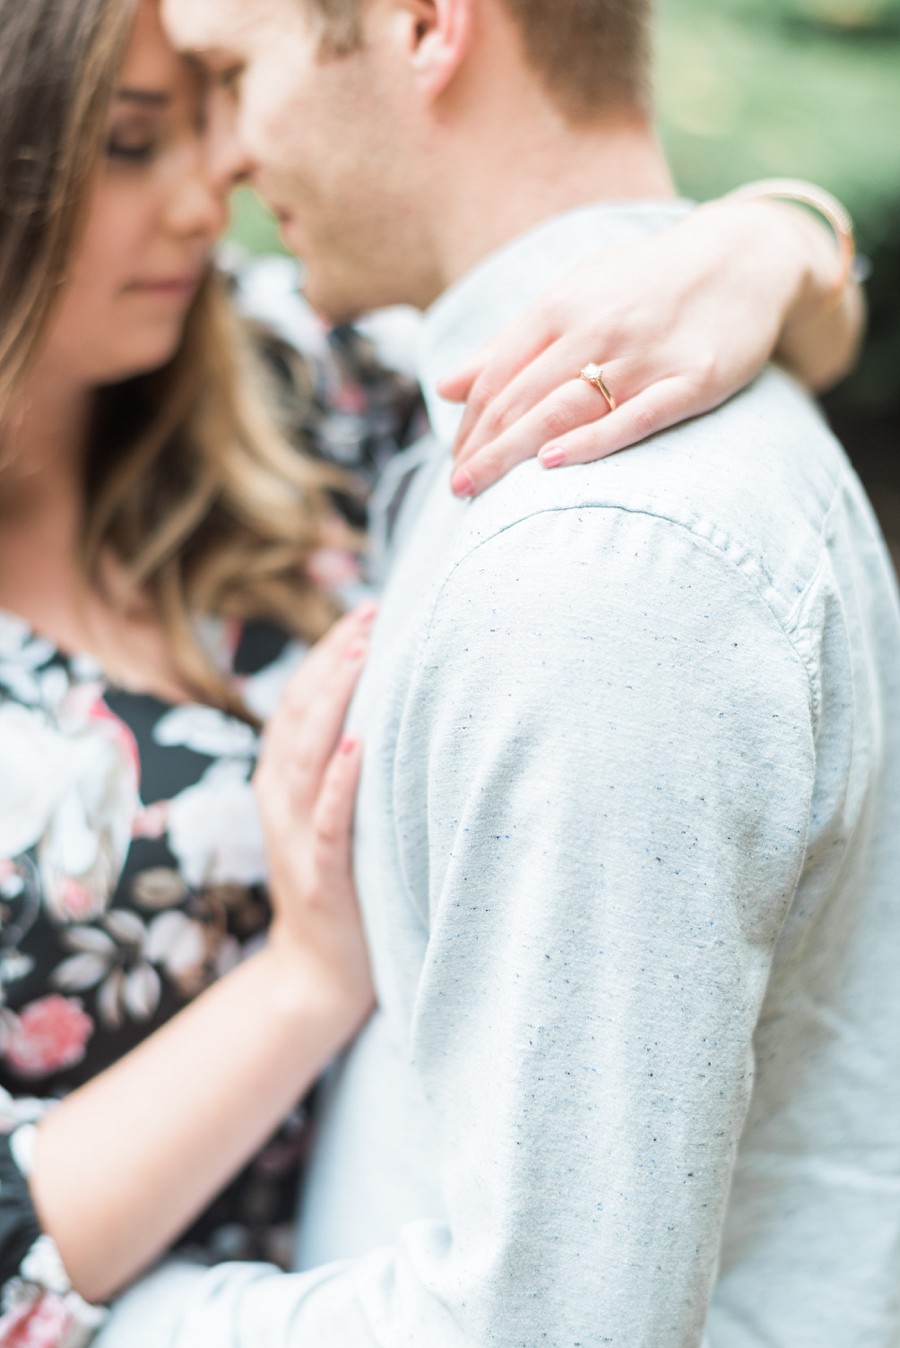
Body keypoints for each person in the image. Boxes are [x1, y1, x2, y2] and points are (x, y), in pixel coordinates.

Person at [0, 2, 871, 1347]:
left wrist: (770, 245)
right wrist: (304, 982)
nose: (214, 175)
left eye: (218, 97)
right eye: (129, 142)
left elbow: (606, 363)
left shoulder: (287, 371)